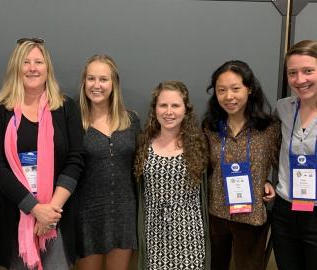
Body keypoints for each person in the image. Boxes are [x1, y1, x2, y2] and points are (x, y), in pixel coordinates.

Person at [0, 38, 84, 270]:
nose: (32, 68)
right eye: (26, 62)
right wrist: (35, 208)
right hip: (16, 216)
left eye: (38, 62)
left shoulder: (66, 108)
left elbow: (76, 159)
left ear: (47, 68)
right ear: (16, 68)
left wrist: (50, 212)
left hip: (57, 216)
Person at [202, 60, 280, 270]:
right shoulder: (210, 127)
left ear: (250, 89)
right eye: (222, 90)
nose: (229, 96)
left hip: (252, 216)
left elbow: (283, 165)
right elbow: (204, 168)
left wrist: (269, 182)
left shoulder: (269, 128)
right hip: (216, 214)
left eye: (236, 88)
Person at [134, 80, 209, 270]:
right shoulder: (143, 143)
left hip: (188, 233)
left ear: (185, 109)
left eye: (175, 105)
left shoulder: (199, 144)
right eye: (163, 105)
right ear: (155, 109)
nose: (169, 112)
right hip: (153, 232)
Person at [75, 54, 139, 270]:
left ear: (114, 84)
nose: (96, 85)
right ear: (84, 82)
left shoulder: (131, 121)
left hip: (124, 214)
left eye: (103, 79)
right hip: (86, 215)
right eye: (91, 79)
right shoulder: (73, 121)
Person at [273, 39, 317, 270]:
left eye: (308, 71)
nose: (300, 80)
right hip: (285, 211)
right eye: (293, 73)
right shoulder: (283, 108)